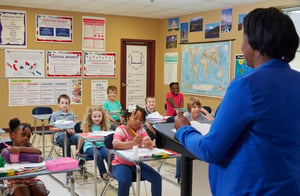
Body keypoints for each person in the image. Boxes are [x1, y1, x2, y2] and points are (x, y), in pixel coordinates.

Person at [174, 7, 300, 196]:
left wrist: (184, 129)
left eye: (244, 38)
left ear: (257, 44)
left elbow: (209, 149)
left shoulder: (247, 86)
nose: (241, 47)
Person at [112, 105, 162, 196]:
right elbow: (115, 144)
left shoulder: (140, 129)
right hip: (120, 164)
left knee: (157, 178)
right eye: (135, 118)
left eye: (140, 120)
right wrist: (132, 143)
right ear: (128, 118)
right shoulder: (121, 129)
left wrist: (149, 144)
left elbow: (149, 143)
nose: (138, 121)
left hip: (136, 163)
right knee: (124, 180)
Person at [4, 118, 47, 196]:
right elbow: (6, 156)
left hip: (32, 180)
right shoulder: (9, 150)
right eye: (23, 135)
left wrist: (20, 149)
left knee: (41, 193)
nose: (26, 138)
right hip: (15, 182)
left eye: (28, 136)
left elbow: (38, 152)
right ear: (12, 135)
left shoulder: (29, 147)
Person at [175, 96, 214, 184]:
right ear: (189, 108)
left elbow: (211, 122)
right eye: (194, 107)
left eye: (198, 107)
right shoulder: (186, 116)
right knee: (181, 154)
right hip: (186, 139)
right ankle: (179, 176)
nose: (197, 109)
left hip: (196, 138)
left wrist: (206, 112)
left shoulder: (201, 116)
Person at [75, 105, 110, 181]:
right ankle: (103, 173)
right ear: (90, 117)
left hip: (101, 145)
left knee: (108, 154)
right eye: (95, 116)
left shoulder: (103, 125)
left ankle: (112, 171)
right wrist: (78, 149)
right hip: (89, 147)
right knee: (98, 155)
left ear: (102, 116)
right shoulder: (88, 126)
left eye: (99, 116)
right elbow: (81, 138)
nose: (97, 118)